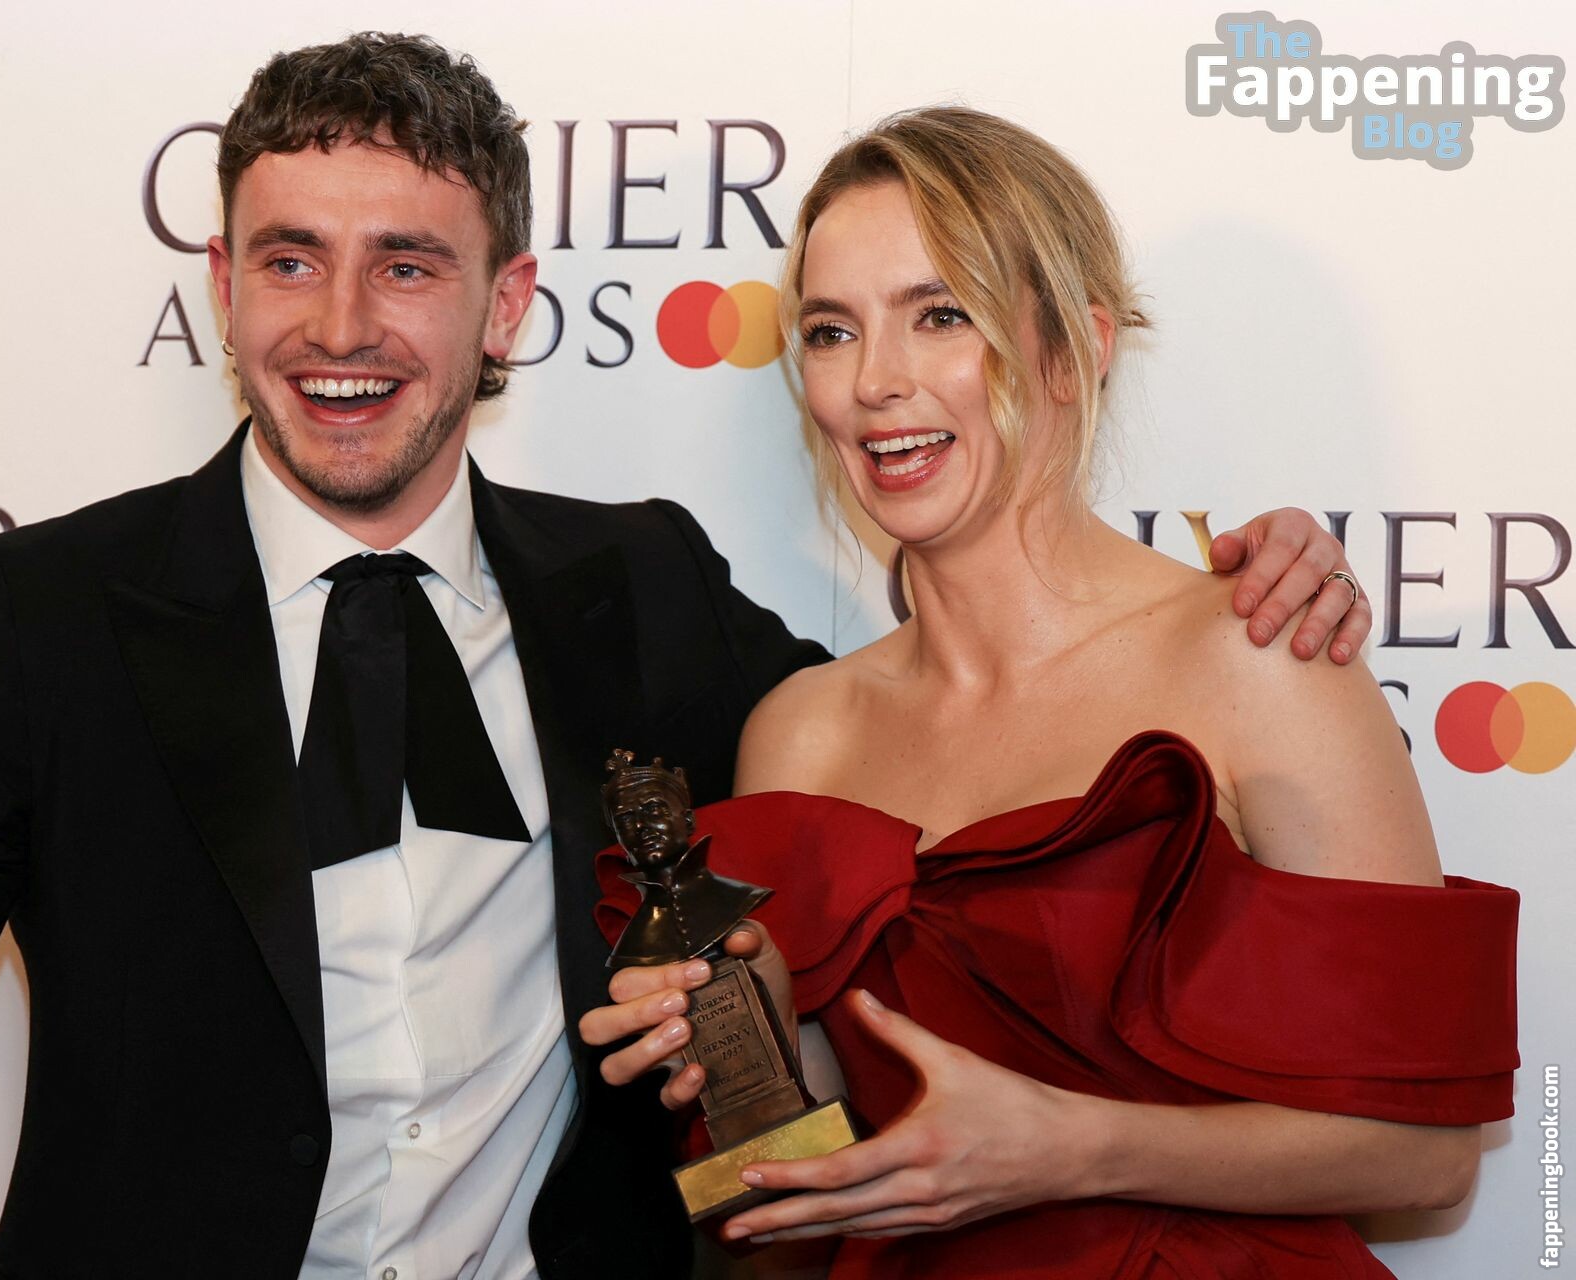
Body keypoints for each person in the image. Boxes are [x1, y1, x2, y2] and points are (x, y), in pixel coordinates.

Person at [0, 38, 1367, 1280]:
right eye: (290, 259)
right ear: (223, 285)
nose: (341, 327)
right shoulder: (44, 617)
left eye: (406, 265)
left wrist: (1230, 595)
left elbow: (972, 718)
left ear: (504, 305)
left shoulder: (643, 591)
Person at [584, 105, 1519, 1278]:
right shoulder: (803, 731)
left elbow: (1425, 1155)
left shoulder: (1257, 652)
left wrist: (1071, 1146)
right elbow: (799, 1212)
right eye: (830, 331)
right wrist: (735, 1046)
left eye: (941, 314)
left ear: (1075, 348)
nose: (875, 381)